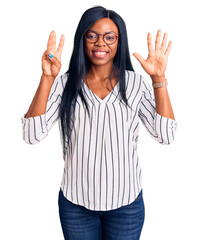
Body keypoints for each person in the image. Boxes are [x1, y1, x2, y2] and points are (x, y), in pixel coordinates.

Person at [21, 5, 177, 240]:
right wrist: (47, 78)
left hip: (126, 206)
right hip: (76, 206)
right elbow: (32, 135)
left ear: (119, 41)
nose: (100, 43)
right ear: (82, 38)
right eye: (92, 35)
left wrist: (158, 78)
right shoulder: (65, 85)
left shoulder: (134, 83)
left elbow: (166, 135)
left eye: (109, 37)